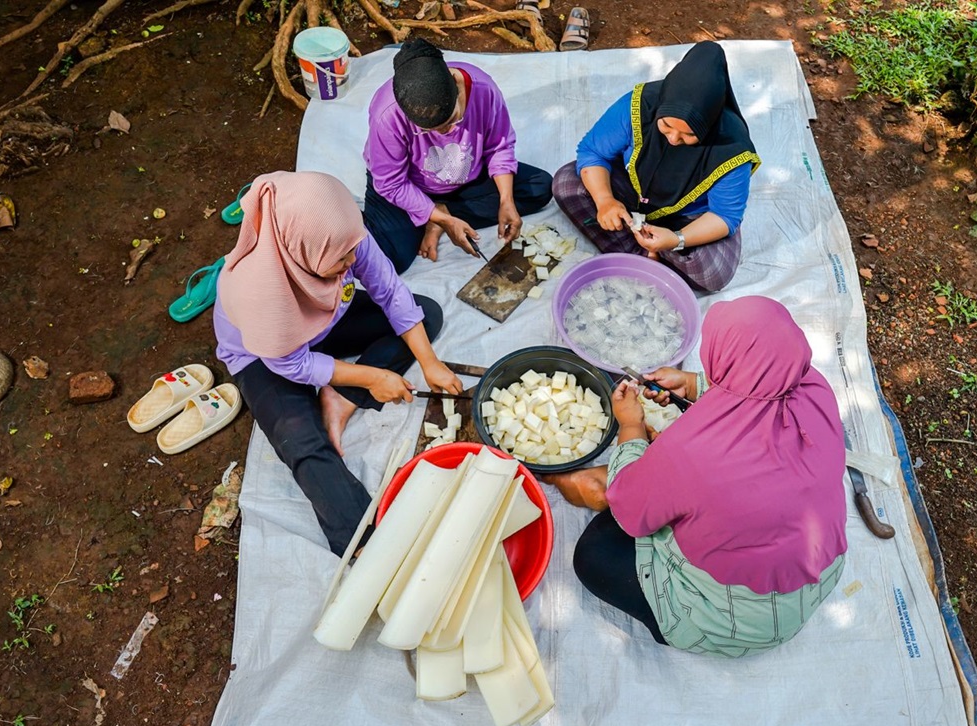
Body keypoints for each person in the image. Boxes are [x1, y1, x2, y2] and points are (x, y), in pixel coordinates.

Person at [547, 297, 847, 656]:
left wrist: (631, 425)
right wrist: (691, 384)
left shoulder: (691, 452)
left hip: (735, 621)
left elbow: (631, 512)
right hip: (814, 576)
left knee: (595, 553)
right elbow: (759, 387)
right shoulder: (815, 387)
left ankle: (687, 622)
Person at [213, 171, 463, 555]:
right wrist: (372, 376)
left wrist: (428, 363)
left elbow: (389, 289)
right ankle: (366, 542)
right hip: (267, 356)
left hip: (324, 321)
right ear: (302, 255)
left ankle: (340, 396)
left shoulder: (342, 236)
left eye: (352, 251)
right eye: (340, 260)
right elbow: (291, 365)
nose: (352, 263)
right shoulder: (260, 292)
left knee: (423, 315)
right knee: (303, 443)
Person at [552, 41, 760, 293]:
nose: (673, 140)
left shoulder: (732, 148)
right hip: (633, 192)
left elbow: (725, 216)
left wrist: (677, 239)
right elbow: (593, 152)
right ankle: (644, 254)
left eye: (689, 135)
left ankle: (645, 252)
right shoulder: (639, 106)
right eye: (665, 127)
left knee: (714, 272)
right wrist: (605, 200)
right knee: (565, 183)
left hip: (689, 217)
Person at [362, 38, 553, 273]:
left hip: (465, 177)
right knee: (390, 258)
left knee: (540, 186)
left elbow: (499, 146)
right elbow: (390, 182)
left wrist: (506, 201)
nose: (446, 133)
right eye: (429, 130)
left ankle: (442, 212)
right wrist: (438, 217)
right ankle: (433, 214)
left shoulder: (484, 89)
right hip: (409, 186)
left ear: (455, 83)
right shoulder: (387, 115)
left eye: (453, 120)